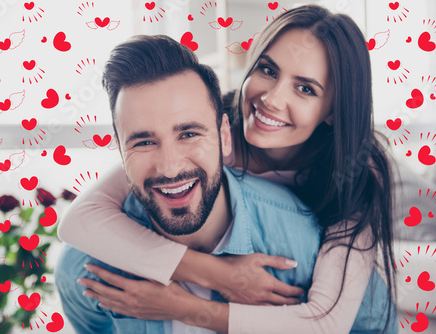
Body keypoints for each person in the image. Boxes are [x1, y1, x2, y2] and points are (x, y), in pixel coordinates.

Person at [58, 5, 397, 334]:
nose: (272, 99)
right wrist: (215, 273)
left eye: (305, 88)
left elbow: (327, 321)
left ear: (334, 111)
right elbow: (80, 220)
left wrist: (184, 308)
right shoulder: (208, 130)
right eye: (268, 70)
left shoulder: (356, 173)